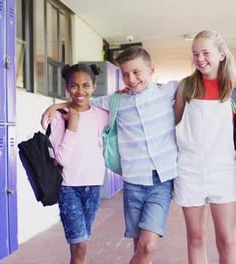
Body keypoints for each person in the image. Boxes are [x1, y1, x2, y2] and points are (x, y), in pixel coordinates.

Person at [42, 46, 178, 264]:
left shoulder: (166, 91)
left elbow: (202, 81)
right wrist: (59, 108)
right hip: (125, 182)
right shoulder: (112, 104)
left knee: (147, 245)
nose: (131, 79)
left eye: (136, 72)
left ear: (152, 70)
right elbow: (82, 102)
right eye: (125, 74)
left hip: (156, 181)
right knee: (130, 246)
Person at [173, 29, 236, 264]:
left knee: (227, 239)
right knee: (196, 238)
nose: (200, 59)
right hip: (189, 171)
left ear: (221, 54)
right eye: (195, 54)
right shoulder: (186, 86)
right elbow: (173, 124)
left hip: (222, 170)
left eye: (206, 53)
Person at [49, 63, 109, 264]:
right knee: (79, 243)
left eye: (85, 85)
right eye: (74, 86)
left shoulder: (102, 115)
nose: (80, 91)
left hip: (93, 186)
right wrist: (72, 124)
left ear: (93, 86)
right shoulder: (58, 117)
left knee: (81, 243)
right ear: (67, 88)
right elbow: (61, 158)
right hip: (68, 188)